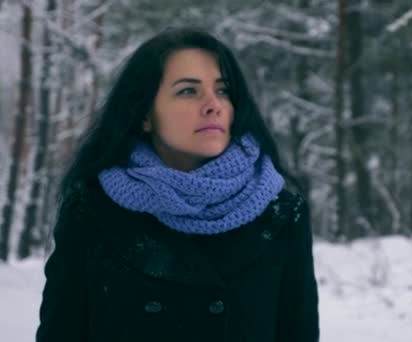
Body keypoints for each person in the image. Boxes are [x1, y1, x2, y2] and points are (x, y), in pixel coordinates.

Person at [36, 27, 319, 342]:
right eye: (189, 91)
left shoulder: (281, 213)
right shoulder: (92, 210)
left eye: (223, 90)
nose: (214, 105)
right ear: (145, 114)